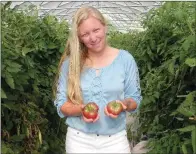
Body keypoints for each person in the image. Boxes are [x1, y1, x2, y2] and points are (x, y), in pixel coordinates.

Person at [53, 6, 142, 153]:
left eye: (96, 30)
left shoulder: (125, 59)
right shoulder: (71, 64)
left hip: (115, 141)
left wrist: (124, 104)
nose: (93, 38)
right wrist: (81, 110)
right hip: (79, 141)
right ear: (79, 37)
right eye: (85, 34)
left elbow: (134, 99)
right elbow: (61, 104)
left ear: (105, 27)